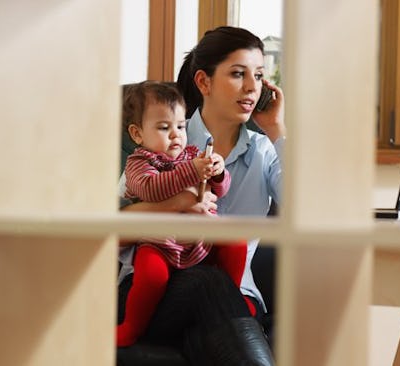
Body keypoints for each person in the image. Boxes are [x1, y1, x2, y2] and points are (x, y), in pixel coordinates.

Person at [118, 26, 284, 365]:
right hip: (156, 291)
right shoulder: (162, 136)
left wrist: (276, 128)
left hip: (233, 296)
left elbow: (308, 208)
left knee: (210, 310)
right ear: (204, 82)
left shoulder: (264, 152)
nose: (252, 87)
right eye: (238, 74)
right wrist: (178, 205)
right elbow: (111, 230)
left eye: (259, 76)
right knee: (208, 281)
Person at [117, 80, 250, 347]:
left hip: (197, 240)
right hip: (159, 243)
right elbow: (151, 189)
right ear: (137, 134)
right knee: (152, 276)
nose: (176, 135)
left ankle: (233, 298)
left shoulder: (190, 155)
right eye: (164, 128)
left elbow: (220, 191)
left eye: (180, 126)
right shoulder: (139, 164)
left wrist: (218, 172)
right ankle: (131, 326)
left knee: (236, 243)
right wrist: (191, 174)